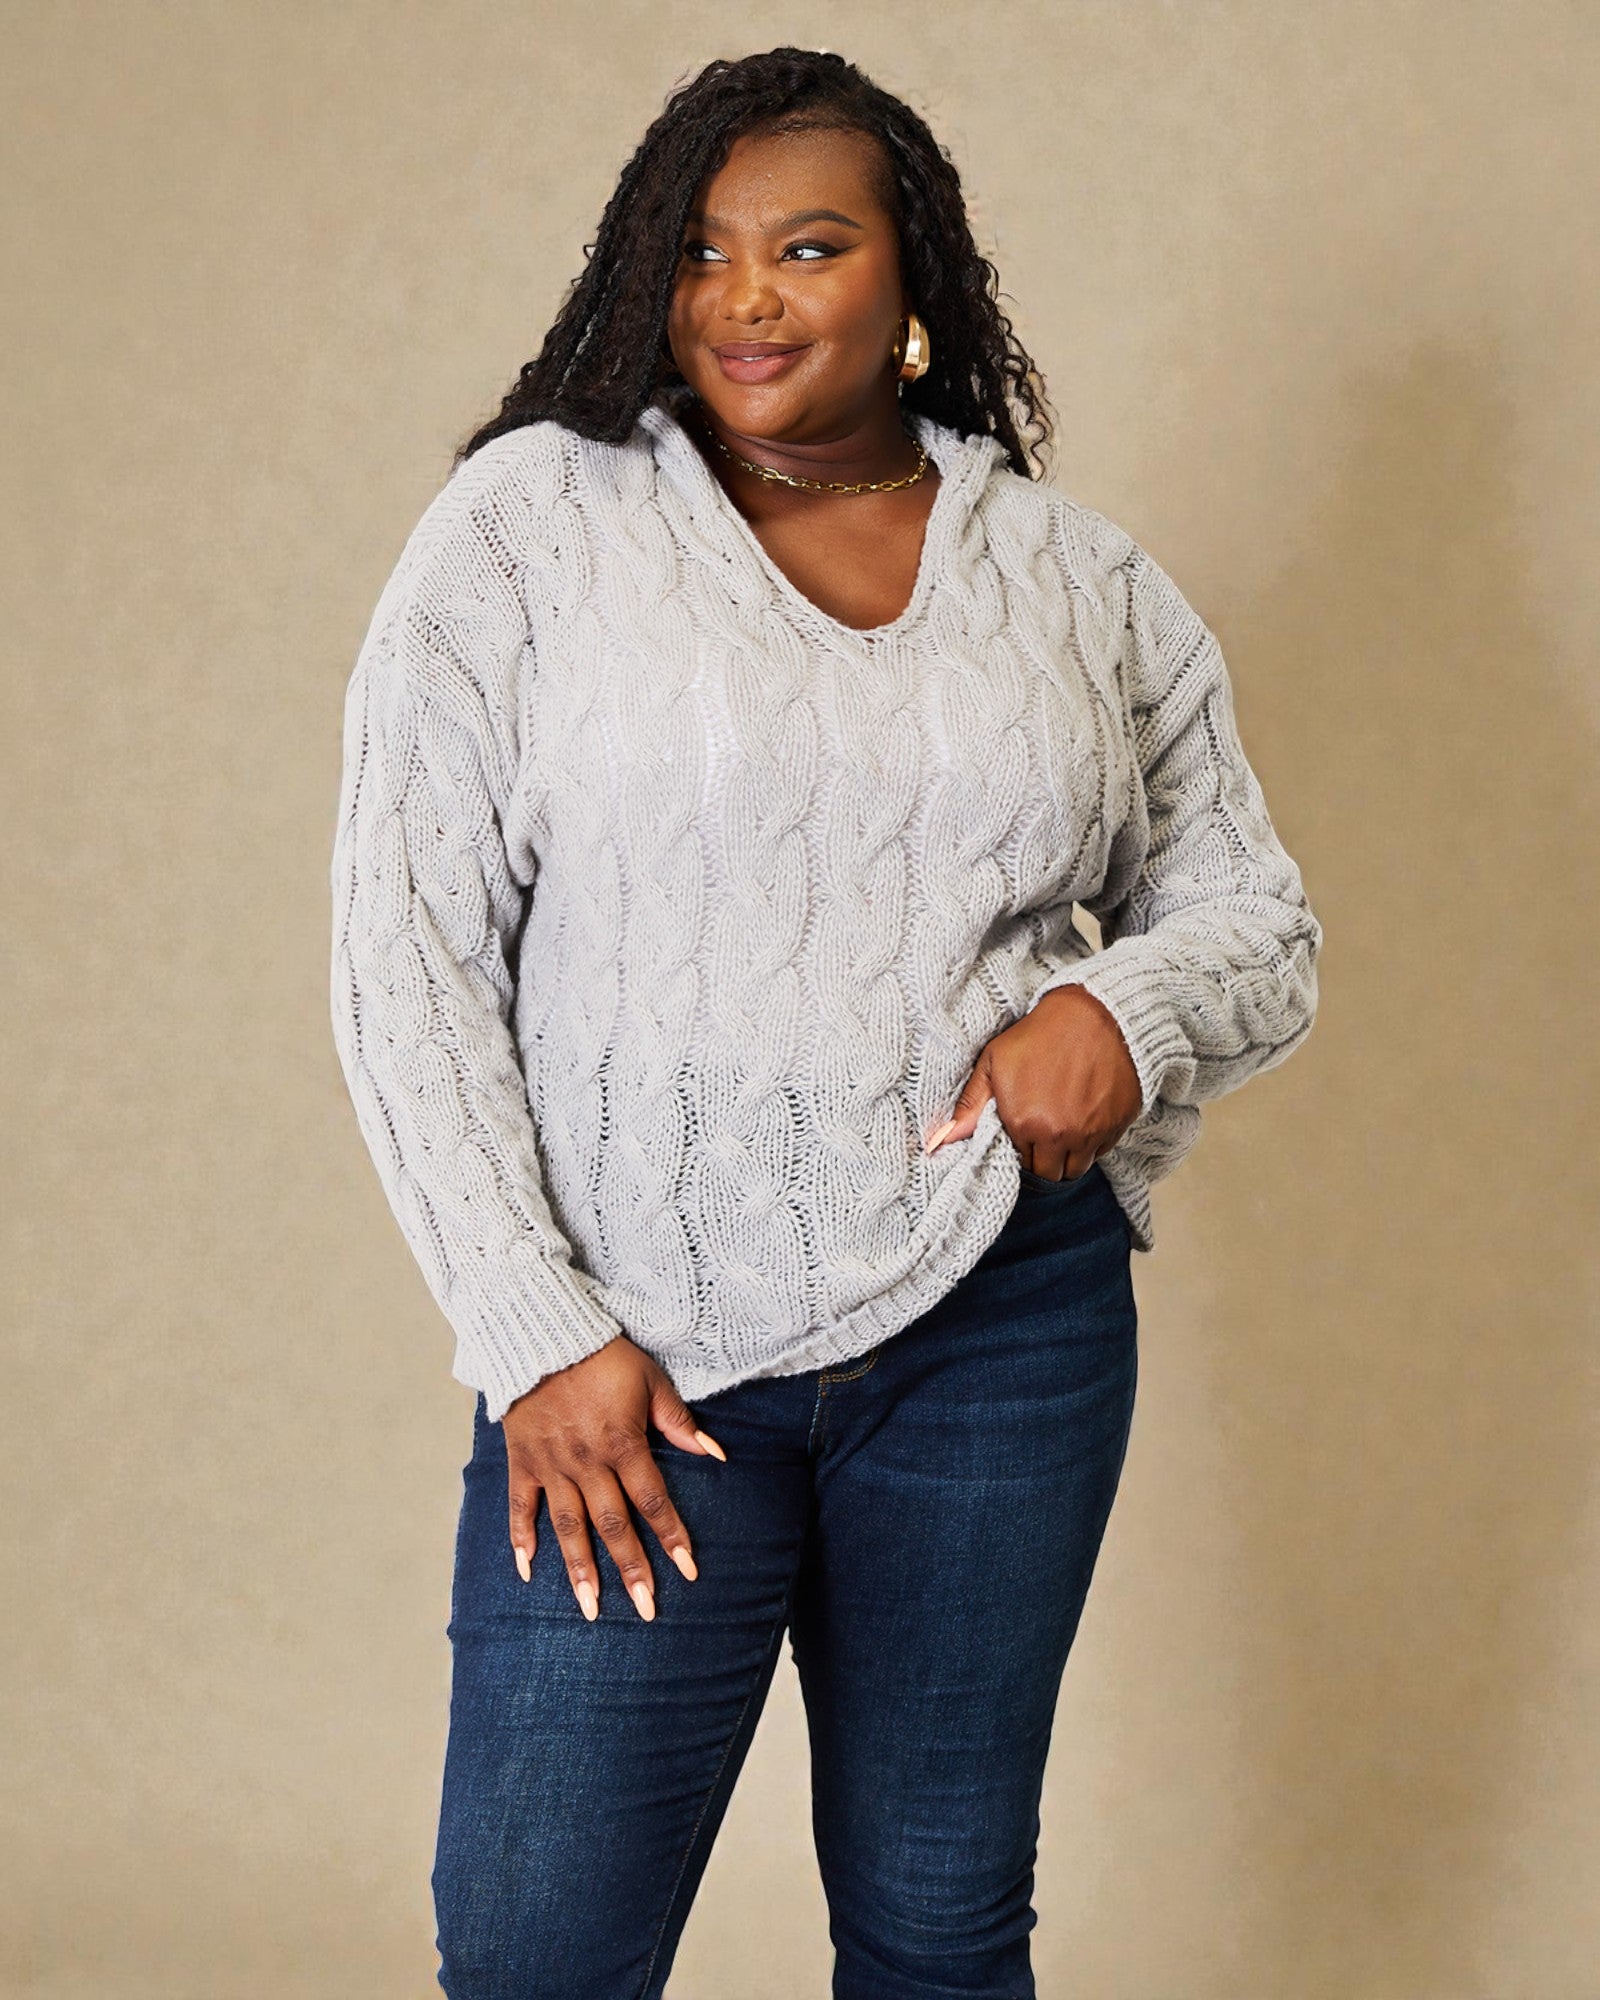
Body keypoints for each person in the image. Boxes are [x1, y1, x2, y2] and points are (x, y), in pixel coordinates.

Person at [328, 44, 1322, 2000]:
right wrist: (539, 1332)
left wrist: (1118, 1010)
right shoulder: (531, 529)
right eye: (698, 254)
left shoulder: (1071, 578)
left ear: (913, 284)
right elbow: (403, 947)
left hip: (998, 1337)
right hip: (634, 1369)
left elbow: (1251, 913)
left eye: (804, 245)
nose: (746, 295)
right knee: (537, 1954)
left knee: (942, 1930)